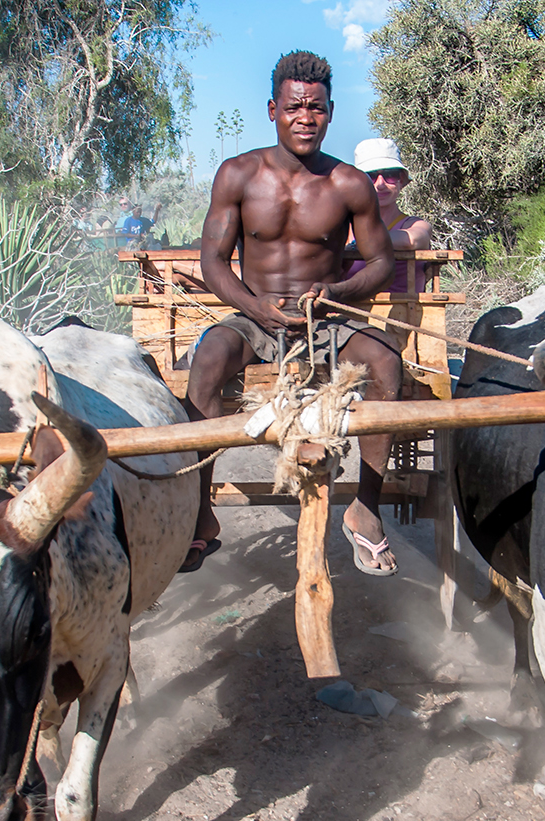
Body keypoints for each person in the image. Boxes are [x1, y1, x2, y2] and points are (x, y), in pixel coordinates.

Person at [181, 50, 403, 575]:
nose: (306, 118)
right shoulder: (237, 175)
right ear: (272, 109)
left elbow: (381, 262)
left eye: (317, 108)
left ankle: (366, 510)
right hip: (255, 318)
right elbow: (212, 262)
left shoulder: (348, 183)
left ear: (330, 112)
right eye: (294, 107)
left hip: (327, 321)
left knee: (388, 360)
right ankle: (199, 513)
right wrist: (253, 306)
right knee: (209, 357)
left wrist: (337, 291)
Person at [344, 138, 433, 292]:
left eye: (389, 175)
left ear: (401, 180)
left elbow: (411, 240)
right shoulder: (344, 227)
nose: (380, 184)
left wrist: (354, 246)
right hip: (346, 313)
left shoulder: (414, 225)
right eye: (370, 176)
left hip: (404, 314)